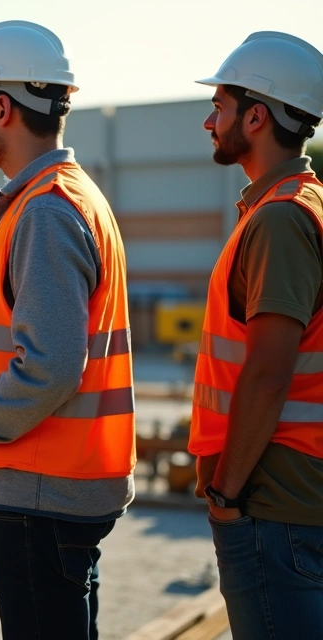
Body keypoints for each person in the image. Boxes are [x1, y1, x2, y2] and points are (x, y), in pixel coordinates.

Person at [0, 20, 135, 640]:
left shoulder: (46, 210)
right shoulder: (62, 199)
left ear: (2, 106)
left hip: (40, 500)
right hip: (52, 494)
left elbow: (50, 367)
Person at [189, 31, 323, 638]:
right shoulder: (297, 203)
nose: (208, 122)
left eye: (219, 107)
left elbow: (268, 373)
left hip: (275, 502)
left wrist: (226, 492)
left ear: (257, 115)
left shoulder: (279, 218)